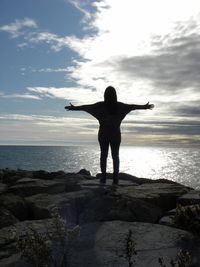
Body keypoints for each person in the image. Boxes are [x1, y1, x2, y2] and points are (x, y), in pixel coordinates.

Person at [65, 86, 154, 185]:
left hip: (103, 134)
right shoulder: (120, 106)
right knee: (115, 156)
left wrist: (74, 108)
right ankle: (115, 178)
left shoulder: (100, 106)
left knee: (104, 155)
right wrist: (144, 107)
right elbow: (132, 106)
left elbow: (86, 107)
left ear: (104, 95)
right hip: (115, 134)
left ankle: (103, 178)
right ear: (115, 95)